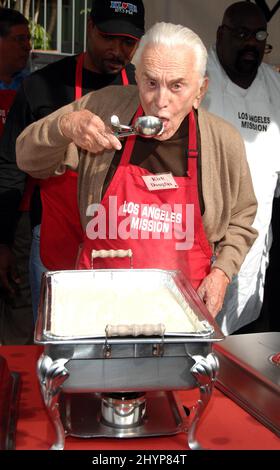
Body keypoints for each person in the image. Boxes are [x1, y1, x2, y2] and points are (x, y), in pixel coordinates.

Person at [16, 22, 258, 319]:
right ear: (137, 77)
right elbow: (27, 159)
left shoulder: (223, 141)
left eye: (177, 86)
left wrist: (222, 272)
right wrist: (64, 127)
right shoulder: (103, 109)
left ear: (200, 90)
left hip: (182, 314)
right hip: (96, 307)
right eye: (151, 83)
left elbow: (242, 218)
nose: (160, 102)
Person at [0, 0, 145, 339]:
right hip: (55, 241)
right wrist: (2, 241)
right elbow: (10, 167)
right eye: (109, 37)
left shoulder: (145, 89)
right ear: (90, 27)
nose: (117, 50)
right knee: (57, 340)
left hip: (121, 244)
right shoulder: (41, 86)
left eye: (128, 42)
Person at [203, 1, 280, 334]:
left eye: (259, 34)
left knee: (240, 340)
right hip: (201, 246)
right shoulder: (196, 74)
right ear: (221, 34)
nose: (251, 42)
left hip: (253, 245)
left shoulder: (274, 87)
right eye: (242, 33)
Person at [0, 7, 32, 344]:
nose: (28, 48)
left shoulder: (31, 91)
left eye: (29, 40)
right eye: (19, 39)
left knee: (18, 297)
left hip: (18, 214)